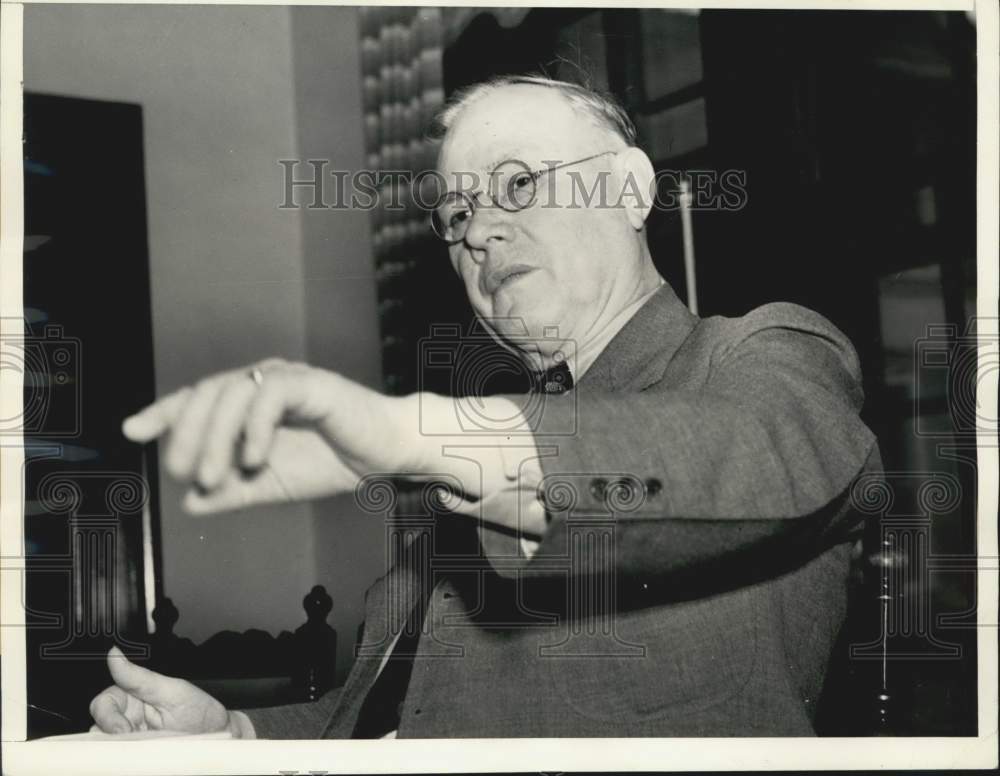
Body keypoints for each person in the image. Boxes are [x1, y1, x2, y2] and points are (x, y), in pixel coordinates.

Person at [89, 75, 880, 738]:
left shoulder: (761, 355)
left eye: (519, 185)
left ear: (633, 190)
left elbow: (753, 449)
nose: (483, 235)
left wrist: (431, 432)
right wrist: (235, 735)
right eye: (459, 215)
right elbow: (420, 715)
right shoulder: (484, 443)